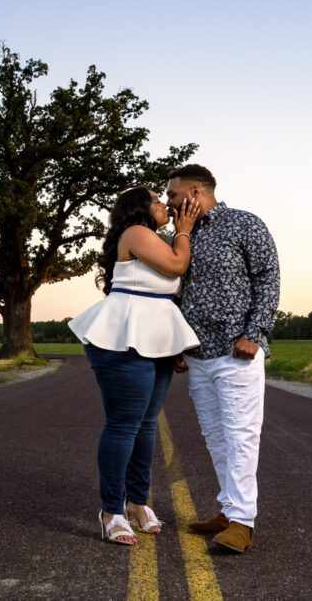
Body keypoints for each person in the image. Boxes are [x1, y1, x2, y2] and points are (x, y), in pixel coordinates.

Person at [69, 187, 201, 546]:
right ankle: (111, 511)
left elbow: (168, 291)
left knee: (146, 425)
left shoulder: (155, 238)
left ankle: (137, 503)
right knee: (124, 426)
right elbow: (177, 265)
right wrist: (184, 230)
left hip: (156, 337)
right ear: (139, 209)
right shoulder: (137, 233)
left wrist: (172, 345)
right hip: (122, 336)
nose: (164, 205)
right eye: (157, 200)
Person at [165, 164, 280, 554]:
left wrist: (255, 333)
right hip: (197, 355)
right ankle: (229, 510)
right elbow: (176, 295)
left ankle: (243, 523)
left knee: (241, 435)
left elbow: (268, 277)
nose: (169, 203)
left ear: (196, 192)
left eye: (174, 195)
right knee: (215, 437)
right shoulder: (180, 237)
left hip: (236, 350)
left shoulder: (243, 224)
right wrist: (178, 344)